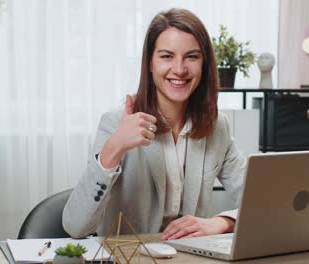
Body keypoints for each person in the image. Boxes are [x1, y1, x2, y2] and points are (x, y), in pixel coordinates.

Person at [63, 8, 246, 240]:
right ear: (150, 63)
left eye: (191, 56)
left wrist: (223, 222)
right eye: (167, 56)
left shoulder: (217, 126)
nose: (179, 69)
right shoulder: (117, 121)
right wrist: (113, 149)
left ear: (205, 64)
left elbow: (261, 201)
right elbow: (75, 226)